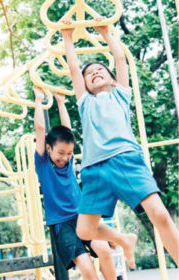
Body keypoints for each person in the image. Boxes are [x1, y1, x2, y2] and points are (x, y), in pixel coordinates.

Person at [60, 17, 179, 266]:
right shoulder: (85, 102)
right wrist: (68, 37)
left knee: (160, 214)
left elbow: (121, 59)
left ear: (112, 79)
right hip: (95, 170)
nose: (93, 73)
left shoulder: (120, 94)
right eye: (89, 74)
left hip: (126, 159)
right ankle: (124, 239)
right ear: (85, 85)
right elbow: (73, 69)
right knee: (84, 231)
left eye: (99, 70)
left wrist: (106, 33)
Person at [33, 86, 137, 280]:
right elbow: (40, 129)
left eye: (69, 154)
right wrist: (38, 101)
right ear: (48, 148)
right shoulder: (43, 163)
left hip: (82, 217)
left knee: (105, 252)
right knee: (88, 270)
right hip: (63, 224)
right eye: (60, 153)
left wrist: (61, 103)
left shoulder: (68, 160)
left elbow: (68, 129)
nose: (65, 158)